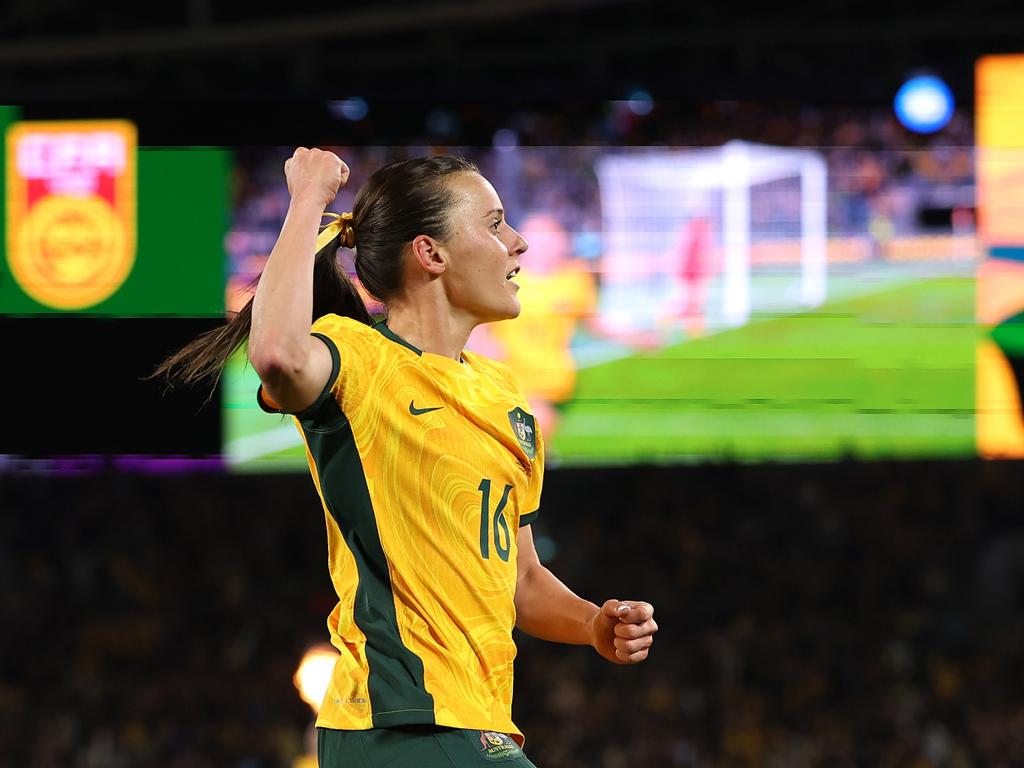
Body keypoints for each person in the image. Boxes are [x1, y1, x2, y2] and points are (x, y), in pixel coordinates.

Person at [154, 147, 658, 768]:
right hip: (401, 722)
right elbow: (279, 355)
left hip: (474, 722)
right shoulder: (359, 360)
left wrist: (590, 624)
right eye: (496, 223)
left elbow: (521, 582)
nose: (519, 242)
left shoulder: (505, 396)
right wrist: (307, 200)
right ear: (432, 254)